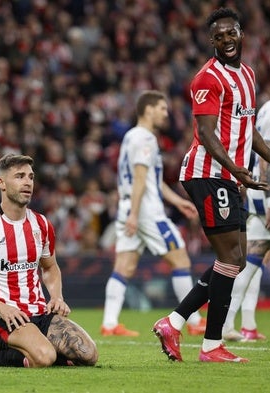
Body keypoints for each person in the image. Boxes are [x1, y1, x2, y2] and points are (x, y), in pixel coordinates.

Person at [152, 7, 270, 363]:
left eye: (231, 33)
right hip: (206, 174)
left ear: (241, 33)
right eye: (219, 36)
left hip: (229, 176)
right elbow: (205, 134)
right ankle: (209, 344)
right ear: (211, 41)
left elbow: (248, 131)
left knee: (231, 260)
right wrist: (236, 168)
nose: (226, 40)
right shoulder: (207, 79)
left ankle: (176, 324)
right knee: (232, 258)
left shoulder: (248, 75)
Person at [0, 154, 98, 367]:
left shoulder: (42, 225)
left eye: (30, 176)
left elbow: (50, 267)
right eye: (19, 176)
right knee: (45, 358)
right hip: (2, 317)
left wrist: (57, 297)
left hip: (38, 312)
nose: (27, 182)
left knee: (87, 355)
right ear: (1, 183)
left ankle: (34, 347)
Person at [101, 90, 205, 337]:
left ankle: (109, 323)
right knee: (180, 259)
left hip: (130, 206)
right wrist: (136, 215)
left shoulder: (130, 137)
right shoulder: (145, 138)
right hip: (145, 210)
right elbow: (140, 178)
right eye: (161, 108)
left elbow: (151, 180)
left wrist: (178, 202)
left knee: (124, 266)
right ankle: (194, 322)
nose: (165, 113)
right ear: (148, 110)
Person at [222, 100, 270, 342]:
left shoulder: (264, 109)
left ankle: (229, 323)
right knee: (248, 263)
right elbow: (265, 159)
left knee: (251, 263)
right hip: (266, 194)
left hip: (259, 195)